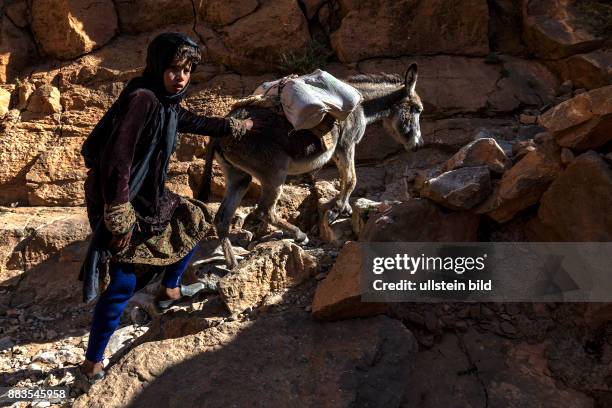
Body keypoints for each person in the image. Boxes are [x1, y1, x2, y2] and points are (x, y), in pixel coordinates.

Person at [77, 32, 259, 383]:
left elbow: (191, 120)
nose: (181, 77)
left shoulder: (166, 100)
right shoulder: (142, 98)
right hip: (122, 200)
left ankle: (170, 290)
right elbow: (117, 159)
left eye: (188, 69)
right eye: (174, 68)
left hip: (149, 196)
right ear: (159, 65)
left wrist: (236, 126)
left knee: (193, 220)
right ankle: (92, 363)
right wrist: (118, 213)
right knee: (123, 283)